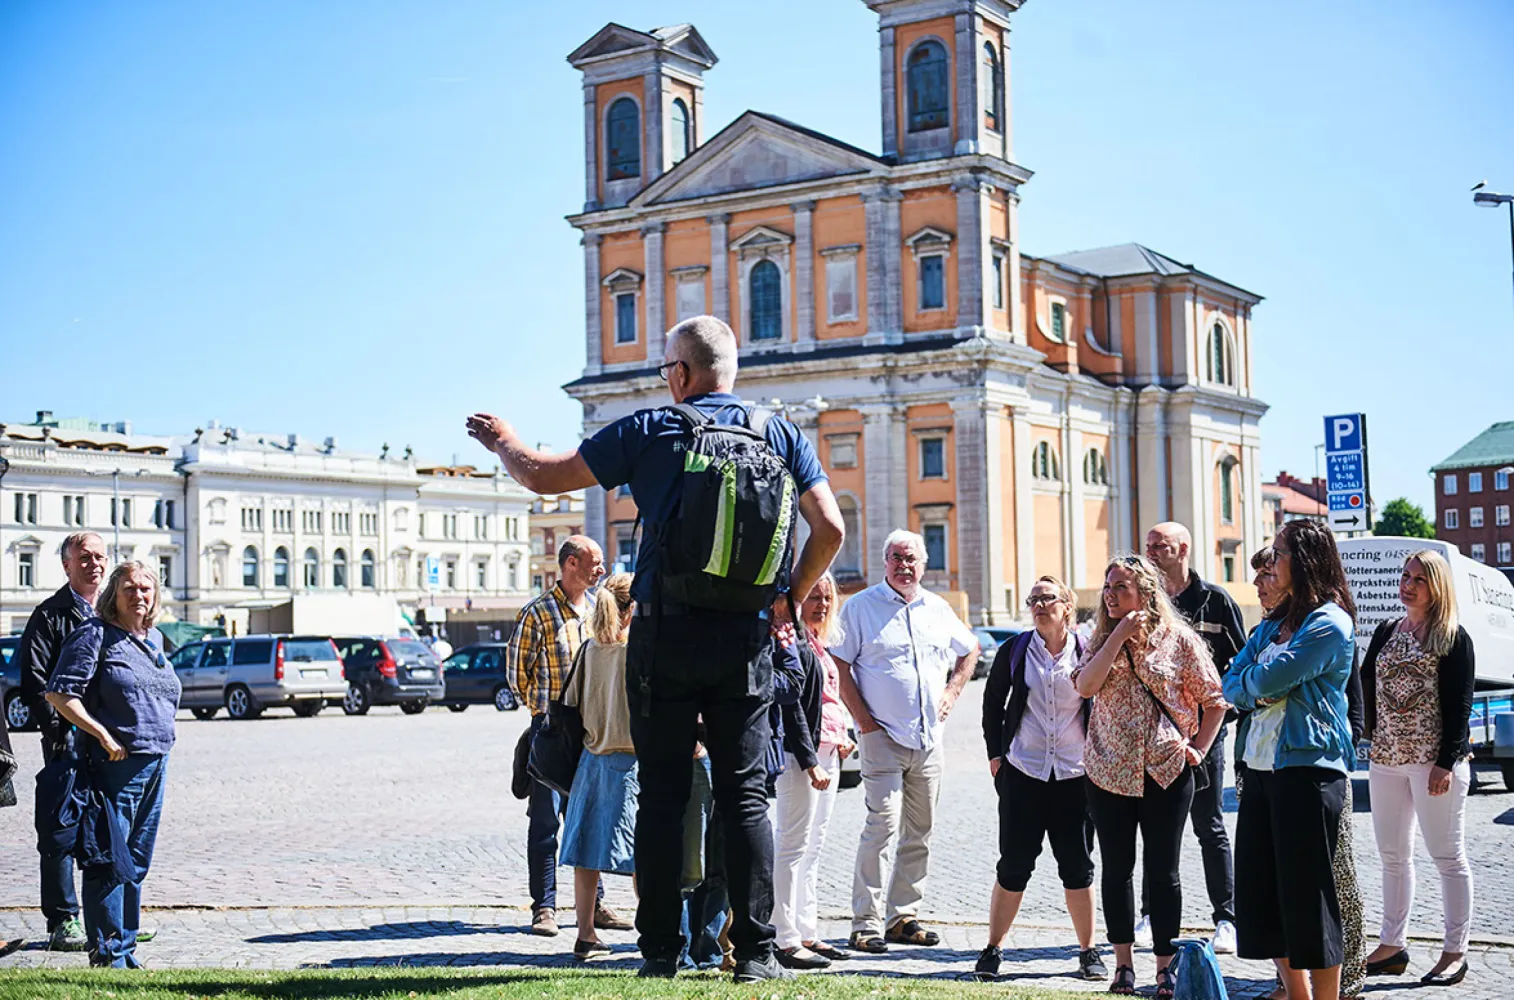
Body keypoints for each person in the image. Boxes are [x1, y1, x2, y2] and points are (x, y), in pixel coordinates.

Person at [467, 314, 845, 982]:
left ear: (680, 372)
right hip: (746, 637)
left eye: (666, 368)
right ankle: (755, 954)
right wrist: (788, 595)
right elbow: (832, 530)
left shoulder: (654, 428)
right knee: (744, 797)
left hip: (666, 636)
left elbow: (542, 476)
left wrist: (505, 440)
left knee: (664, 794)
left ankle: (661, 953)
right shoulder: (782, 433)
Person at [1072, 554, 1227, 999]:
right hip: (1107, 769)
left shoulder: (1178, 640)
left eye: (1122, 587)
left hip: (1165, 769)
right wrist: (1118, 635)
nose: (1111, 594)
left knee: (1164, 872)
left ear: (1145, 592)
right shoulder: (1099, 636)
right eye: (1108, 587)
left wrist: (1198, 748)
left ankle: (1164, 965)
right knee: (1117, 868)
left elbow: (1215, 700)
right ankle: (1123, 965)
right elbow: (1085, 687)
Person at [1222, 520, 1357, 1000]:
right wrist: (1255, 686)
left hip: (1307, 772)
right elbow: (1231, 682)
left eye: (1278, 553)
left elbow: (1265, 682)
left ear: (1304, 560)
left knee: (1308, 899)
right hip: (1258, 771)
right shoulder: (1273, 625)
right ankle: (1294, 993)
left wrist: (1255, 687)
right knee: (1260, 895)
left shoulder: (1330, 623)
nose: (1271, 562)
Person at [832, 530, 979, 955]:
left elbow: (969, 651)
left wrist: (952, 694)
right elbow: (839, 664)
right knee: (882, 826)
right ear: (885, 562)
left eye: (911, 558)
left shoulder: (937, 608)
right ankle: (865, 923)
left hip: (929, 740)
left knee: (920, 831)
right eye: (896, 557)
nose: (904, 565)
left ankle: (903, 916)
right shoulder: (861, 607)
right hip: (881, 737)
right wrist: (864, 722)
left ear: (924, 563)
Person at [44, 561, 179, 968]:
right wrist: (102, 733)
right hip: (113, 765)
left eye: (146, 588)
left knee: (136, 861)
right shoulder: (96, 634)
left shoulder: (154, 638)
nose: (139, 595)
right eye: (129, 588)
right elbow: (59, 694)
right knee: (109, 860)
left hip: (156, 761)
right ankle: (107, 954)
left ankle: (126, 947)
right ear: (113, 595)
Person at [976, 576, 1106, 982]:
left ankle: (1088, 951)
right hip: (1025, 771)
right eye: (1033, 599)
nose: (1038, 605)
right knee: (1013, 865)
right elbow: (992, 702)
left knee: (1077, 866)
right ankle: (993, 948)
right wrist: (997, 755)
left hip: (1074, 774)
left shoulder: (1089, 651)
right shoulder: (1014, 651)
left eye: (1047, 598)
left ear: (1068, 605)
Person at [1362, 549, 1476, 987]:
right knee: (1392, 856)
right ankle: (1392, 944)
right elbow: (1367, 680)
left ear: (1437, 587)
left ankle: (1454, 951)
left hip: (1434, 763)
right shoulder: (1388, 629)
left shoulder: (1452, 635)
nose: (1407, 584)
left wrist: (1446, 761)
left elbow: (1460, 704)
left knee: (1448, 857)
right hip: (1387, 758)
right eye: (1405, 575)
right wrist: (1368, 732)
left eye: (1418, 579)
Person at [505, 536, 627, 938]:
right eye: (594, 563)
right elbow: (516, 672)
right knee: (544, 821)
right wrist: (542, 711)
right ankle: (544, 907)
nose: (601, 570)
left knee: (588, 817)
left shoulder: (596, 608)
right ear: (571, 563)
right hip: (553, 729)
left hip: (589, 730)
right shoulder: (538, 613)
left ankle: (594, 907)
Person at [1142, 522, 1244, 955]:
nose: (1151, 552)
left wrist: (1221, 716)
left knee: (1209, 825)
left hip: (1204, 734)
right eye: (1148, 546)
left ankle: (1226, 918)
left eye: (1159, 546)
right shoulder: (1145, 600)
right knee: (1156, 830)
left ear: (1182, 549)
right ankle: (1151, 915)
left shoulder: (1215, 601)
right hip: (1155, 736)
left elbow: (1241, 662)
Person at [18, 531, 109, 952]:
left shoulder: (114, 611)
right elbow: (34, 681)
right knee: (59, 830)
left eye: (99, 556)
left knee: (107, 828)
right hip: (68, 740)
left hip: (111, 743)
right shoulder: (50, 615)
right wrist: (60, 731)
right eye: (84, 557)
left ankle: (107, 921)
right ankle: (62, 922)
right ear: (67, 566)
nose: (93, 563)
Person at [770, 573, 853, 970]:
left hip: (828, 749)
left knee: (814, 845)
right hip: (802, 754)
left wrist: (843, 734)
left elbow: (828, 699)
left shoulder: (818, 641)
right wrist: (808, 760)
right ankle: (783, 936)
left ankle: (806, 929)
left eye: (827, 598)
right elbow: (792, 707)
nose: (821, 604)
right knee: (792, 843)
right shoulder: (792, 641)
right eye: (814, 597)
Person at [559, 572, 639, 962]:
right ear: (633, 609)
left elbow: (571, 703)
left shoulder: (589, 649)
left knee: (587, 854)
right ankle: (654, 930)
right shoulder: (637, 652)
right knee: (647, 854)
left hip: (591, 760)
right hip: (633, 763)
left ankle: (585, 933)